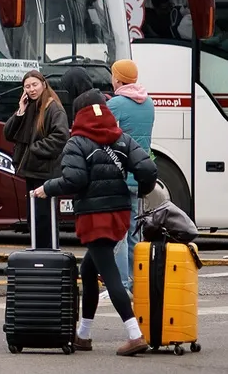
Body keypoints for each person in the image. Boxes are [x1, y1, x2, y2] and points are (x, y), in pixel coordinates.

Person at [34, 90, 157, 356]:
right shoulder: (121, 138)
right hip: (119, 215)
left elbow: (74, 181)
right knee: (88, 271)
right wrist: (143, 189)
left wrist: (48, 188)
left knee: (110, 275)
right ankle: (84, 335)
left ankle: (134, 334)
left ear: (78, 113)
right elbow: (147, 169)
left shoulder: (77, 142)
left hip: (93, 216)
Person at [3, 70, 70, 250]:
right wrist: (20, 110)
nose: (32, 89)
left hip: (45, 171)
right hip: (32, 171)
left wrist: (34, 149)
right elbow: (8, 133)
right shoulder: (30, 107)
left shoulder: (52, 107)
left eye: (35, 85)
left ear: (43, 84)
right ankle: (38, 252)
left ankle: (47, 253)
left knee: (43, 216)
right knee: (34, 216)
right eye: (27, 86)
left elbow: (61, 136)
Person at [105, 59, 154, 295]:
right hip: (140, 175)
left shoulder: (116, 104)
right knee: (135, 231)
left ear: (118, 78)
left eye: (113, 75)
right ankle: (136, 282)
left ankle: (122, 284)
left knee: (119, 233)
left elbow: (106, 137)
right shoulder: (149, 103)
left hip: (120, 175)